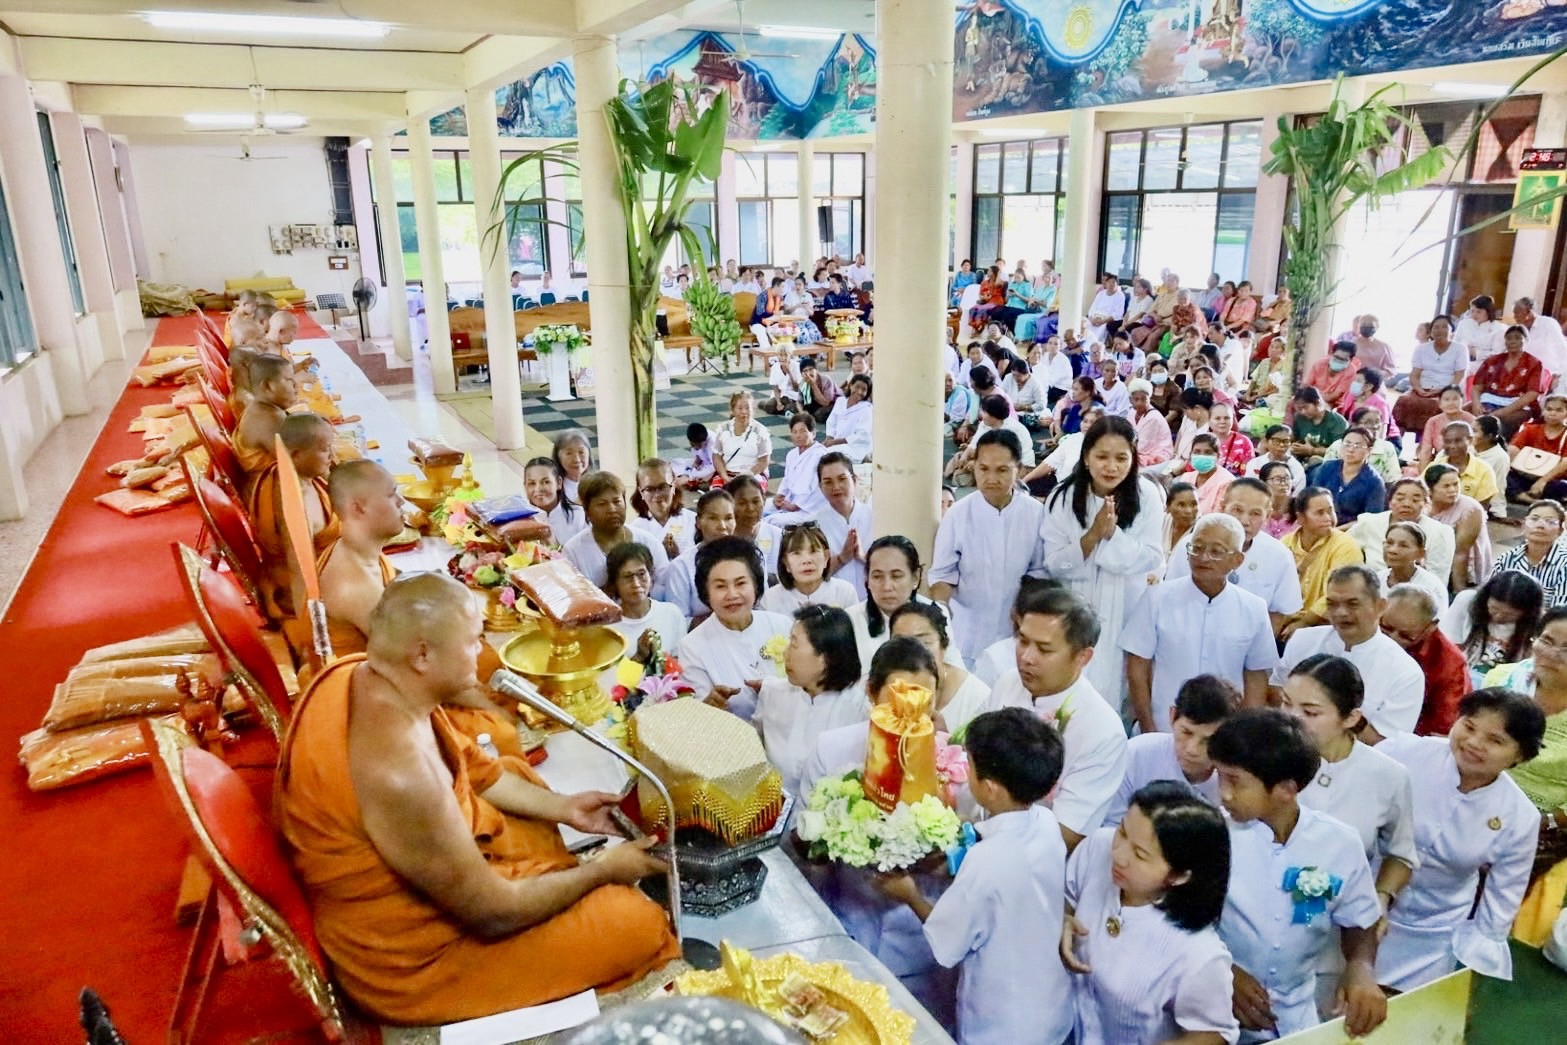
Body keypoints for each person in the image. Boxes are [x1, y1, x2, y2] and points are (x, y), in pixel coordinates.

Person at [276, 573, 679, 1025]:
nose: (482, 652)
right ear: (422, 654)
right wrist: (605, 870)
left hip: (436, 872)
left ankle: (549, 878)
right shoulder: (398, 772)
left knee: (519, 777)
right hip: (418, 960)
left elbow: (476, 769)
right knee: (636, 921)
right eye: (472, 641)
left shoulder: (364, 675)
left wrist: (566, 808)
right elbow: (492, 913)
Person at [872, 708, 1071, 1045]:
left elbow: (948, 942)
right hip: (1050, 1005)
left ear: (990, 788)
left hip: (1004, 1023)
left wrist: (910, 895)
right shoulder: (1046, 822)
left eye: (971, 767)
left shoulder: (988, 861)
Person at [1207, 710, 1387, 1041]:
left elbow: (1360, 920)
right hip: (1212, 1013)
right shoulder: (1209, 835)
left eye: (1235, 781)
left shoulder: (1339, 844)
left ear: (1286, 790)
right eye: (1220, 776)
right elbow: (1174, 920)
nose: (1224, 793)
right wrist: (1220, 971)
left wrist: (1361, 968)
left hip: (1295, 1020)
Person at [1375, 691, 1545, 991]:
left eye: (1495, 740)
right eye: (1468, 726)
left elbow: (1504, 893)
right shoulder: (1403, 752)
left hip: (1433, 929)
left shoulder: (1519, 816)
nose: (1474, 743)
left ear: (1521, 755)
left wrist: (1480, 954)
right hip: (1363, 900)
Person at [1280, 654, 1416, 1013]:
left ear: (1351, 718)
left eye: (1310, 712)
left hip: (1338, 934)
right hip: (1261, 924)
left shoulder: (1386, 775)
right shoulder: (1266, 762)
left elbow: (1401, 853)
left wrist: (1381, 898)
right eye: (1285, 704)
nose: (1291, 719)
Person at [1062, 780, 1238, 1044]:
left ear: (1179, 876)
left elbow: (1215, 1032)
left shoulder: (1198, 953)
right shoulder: (1097, 848)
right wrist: (1061, 920)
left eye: (1140, 855)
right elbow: (1066, 898)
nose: (1119, 855)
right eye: (1122, 833)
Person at [982, 585, 1129, 851]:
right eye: (1023, 641)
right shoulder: (1008, 683)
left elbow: (1067, 832)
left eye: (1044, 649)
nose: (1026, 657)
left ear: (1083, 657)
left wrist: (986, 843)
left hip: (1035, 862)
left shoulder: (1102, 731)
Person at [1043, 417, 1165, 703]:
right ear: (1086, 457)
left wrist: (1113, 537)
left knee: (1117, 692)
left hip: (1125, 608)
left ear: (1133, 458)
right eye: (1102, 457)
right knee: (1067, 697)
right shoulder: (1062, 497)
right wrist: (1093, 536)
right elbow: (1054, 563)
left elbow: (1152, 556)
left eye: (1121, 458)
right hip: (1073, 608)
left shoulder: (1147, 495)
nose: (1112, 467)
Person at [1124, 514, 1276, 734]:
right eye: (1196, 548)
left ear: (1237, 560)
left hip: (1224, 731)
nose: (1203, 557)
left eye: (1216, 551)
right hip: (1164, 725)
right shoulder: (1156, 599)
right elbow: (1137, 667)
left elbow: (1255, 676)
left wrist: (1244, 732)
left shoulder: (1254, 608)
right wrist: (1148, 726)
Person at [930, 429, 1047, 663]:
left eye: (1002, 470)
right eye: (983, 469)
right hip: (966, 632)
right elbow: (943, 574)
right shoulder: (958, 514)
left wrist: (1025, 610)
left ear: (1019, 469)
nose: (991, 478)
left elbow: (1040, 571)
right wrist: (940, 618)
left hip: (1015, 632)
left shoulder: (1035, 514)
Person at [1274, 565, 1424, 742]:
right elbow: (1275, 692)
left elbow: (1387, 744)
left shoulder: (1405, 672)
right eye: (1332, 604)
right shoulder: (1303, 641)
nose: (1340, 613)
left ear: (1380, 606)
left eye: (1352, 604)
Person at [752, 606, 866, 797]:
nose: (785, 654)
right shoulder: (772, 693)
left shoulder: (860, 709)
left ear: (826, 658)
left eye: (794, 645)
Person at [1167, 477, 1304, 636]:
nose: (1244, 521)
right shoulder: (1191, 546)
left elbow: (1279, 613)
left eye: (1255, 513)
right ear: (1223, 507)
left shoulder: (1280, 556)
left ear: (1267, 516)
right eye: (1237, 510)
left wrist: (1255, 648)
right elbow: (1172, 598)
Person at [675, 537, 791, 721]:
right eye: (720, 586)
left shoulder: (783, 625)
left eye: (740, 583)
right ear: (706, 592)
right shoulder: (691, 647)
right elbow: (696, 716)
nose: (732, 594)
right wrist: (708, 706)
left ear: (755, 585)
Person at [1105, 675, 1235, 828]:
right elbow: (1111, 826)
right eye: (1186, 732)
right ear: (1172, 716)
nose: (1192, 749)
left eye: (1207, 740)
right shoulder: (1137, 754)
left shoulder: (1233, 780)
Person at [245, 413, 338, 622]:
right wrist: (314, 629)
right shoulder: (294, 503)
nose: (333, 455)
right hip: (303, 597)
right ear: (295, 455)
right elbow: (300, 572)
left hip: (324, 574)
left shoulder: (286, 473)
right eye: (325, 450)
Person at [889, 601, 992, 736]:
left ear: (943, 646)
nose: (912, 652)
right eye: (901, 644)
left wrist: (945, 739)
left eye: (924, 643)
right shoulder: (884, 687)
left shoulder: (978, 697)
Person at [1380, 584, 1471, 736]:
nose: (1393, 640)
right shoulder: (1365, 630)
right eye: (1386, 628)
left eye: (1406, 636)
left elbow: (1441, 730)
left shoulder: (1449, 663)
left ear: (1431, 627)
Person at [1278, 487, 1364, 639]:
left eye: (1330, 511)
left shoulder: (1345, 546)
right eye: (1319, 513)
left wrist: (1304, 623)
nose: (1328, 518)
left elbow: (1338, 593)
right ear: (1301, 518)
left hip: (1326, 627)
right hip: (1282, 622)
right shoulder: (1285, 544)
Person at [561, 472, 669, 589]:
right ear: (587, 511)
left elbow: (664, 584)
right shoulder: (573, 551)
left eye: (617, 501)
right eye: (602, 504)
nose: (612, 509)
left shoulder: (648, 542)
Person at [1344, 478, 1455, 584]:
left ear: (1426, 503)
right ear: (1390, 501)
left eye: (1415, 500)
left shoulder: (1440, 532)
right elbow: (1344, 547)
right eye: (1400, 499)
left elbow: (1438, 578)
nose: (1406, 504)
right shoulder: (1370, 523)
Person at [1441, 570, 1544, 683]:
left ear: (1526, 613)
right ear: (1485, 599)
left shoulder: (1536, 625)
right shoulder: (1467, 601)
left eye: (1509, 615)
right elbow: (1447, 645)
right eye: (1494, 609)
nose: (1499, 616)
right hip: (1460, 676)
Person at [604, 542, 687, 672]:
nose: (636, 584)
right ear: (615, 583)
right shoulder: (608, 630)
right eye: (627, 577)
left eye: (642, 574)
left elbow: (682, 667)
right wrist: (640, 657)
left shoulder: (672, 613)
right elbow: (613, 686)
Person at [660, 489, 737, 620]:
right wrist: (721, 619)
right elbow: (678, 621)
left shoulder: (751, 558)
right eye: (713, 518)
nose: (722, 526)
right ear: (698, 522)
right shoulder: (681, 567)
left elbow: (760, 608)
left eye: (728, 518)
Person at [759, 521, 857, 615]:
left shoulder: (845, 593)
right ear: (786, 563)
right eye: (797, 553)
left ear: (826, 557)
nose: (806, 560)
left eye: (813, 551)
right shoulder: (769, 600)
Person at [811, 452, 872, 599]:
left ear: (854, 480)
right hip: (833, 604)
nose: (836, 487)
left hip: (872, 601)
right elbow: (810, 575)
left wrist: (864, 557)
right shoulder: (814, 525)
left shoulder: (875, 517)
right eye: (828, 482)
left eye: (842, 479)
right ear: (820, 486)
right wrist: (841, 558)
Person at [231, 353, 297, 485]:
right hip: (269, 489)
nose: (295, 384)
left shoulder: (261, 408)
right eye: (289, 380)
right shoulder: (268, 418)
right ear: (267, 386)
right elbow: (297, 463)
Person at [1396, 315, 1467, 438]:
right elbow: (1415, 373)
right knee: (1404, 401)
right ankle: (1402, 441)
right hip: (1422, 388)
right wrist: (1418, 388)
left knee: (1436, 405)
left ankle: (1430, 440)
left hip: (1447, 389)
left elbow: (1460, 375)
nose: (1440, 330)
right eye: (1436, 327)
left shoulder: (1460, 349)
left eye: (1445, 327)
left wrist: (1444, 390)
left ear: (1452, 330)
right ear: (1431, 331)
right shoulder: (1421, 348)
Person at [1426, 462, 1492, 591]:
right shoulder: (1424, 505)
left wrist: (1458, 593)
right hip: (1435, 564)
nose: (1453, 490)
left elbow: (1461, 553)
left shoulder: (1470, 509)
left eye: (1456, 484)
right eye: (1446, 486)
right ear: (1430, 489)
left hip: (1464, 570)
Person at [1471, 324, 1544, 435]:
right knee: (1463, 413)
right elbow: (1477, 387)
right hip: (1488, 402)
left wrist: (1502, 412)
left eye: (1517, 338)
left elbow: (1532, 394)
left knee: (1502, 422)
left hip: (1517, 406)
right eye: (1508, 338)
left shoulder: (1534, 363)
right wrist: (1476, 404)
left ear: (1526, 340)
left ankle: (1498, 449)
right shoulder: (1492, 360)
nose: (1512, 341)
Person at [1493, 499, 1567, 606]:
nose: (1540, 526)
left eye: (1550, 522)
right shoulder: (1507, 558)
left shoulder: (1564, 565)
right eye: (1534, 519)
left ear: (1560, 531)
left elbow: (1559, 614)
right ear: (1524, 525)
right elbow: (1489, 597)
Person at [1508, 392, 1567, 503]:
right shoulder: (1531, 429)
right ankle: (1525, 498)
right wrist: (1508, 465)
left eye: (1559, 410)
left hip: (1552, 480)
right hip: (1525, 475)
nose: (1553, 413)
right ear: (1543, 411)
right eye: (1549, 409)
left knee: (1562, 487)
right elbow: (1513, 448)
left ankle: (1520, 495)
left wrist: (1542, 481)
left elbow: (1565, 462)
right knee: (1504, 477)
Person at [1378, 521, 1449, 612]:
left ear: (1420, 553)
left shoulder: (1432, 587)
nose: (1393, 550)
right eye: (1389, 543)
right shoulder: (1376, 581)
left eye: (1403, 545)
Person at [727, 474, 783, 582]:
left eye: (756, 501)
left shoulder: (778, 536)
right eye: (742, 503)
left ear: (764, 500)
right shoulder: (724, 540)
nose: (750, 508)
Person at [710, 391, 772, 488]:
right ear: (732, 410)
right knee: (716, 498)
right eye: (740, 408)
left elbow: (764, 461)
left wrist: (747, 474)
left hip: (752, 475)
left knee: (745, 495)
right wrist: (724, 476)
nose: (744, 411)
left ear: (753, 409)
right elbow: (717, 457)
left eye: (748, 408)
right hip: (728, 474)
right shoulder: (723, 429)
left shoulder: (760, 431)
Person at [1432, 420, 1500, 508]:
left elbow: (1481, 509)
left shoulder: (1484, 471)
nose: (1452, 446)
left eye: (1458, 441)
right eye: (1447, 441)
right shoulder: (1435, 466)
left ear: (1470, 440)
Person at [524, 457, 586, 546]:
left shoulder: (578, 515)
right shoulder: (521, 521)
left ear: (558, 483)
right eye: (532, 483)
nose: (538, 489)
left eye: (546, 482)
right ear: (525, 486)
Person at [1416, 386, 1476, 470]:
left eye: (1455, 399)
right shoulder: (1433, 421)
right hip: (1441, 464)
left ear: (1463, 401)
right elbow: (1426, 450)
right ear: (1440, 404)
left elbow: (1478, 450)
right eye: (1446, 399)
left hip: (1468, 465)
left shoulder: (1472, 421)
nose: (1451, 403)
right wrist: (1423, 477)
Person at [1289, 387, 1347, 471]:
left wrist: (1312, 451)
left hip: (1329, 463)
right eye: (1299, 409)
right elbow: (1296, 439)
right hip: (1303, 461)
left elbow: (1339, 452)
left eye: (1305, 407)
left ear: (1318, 403)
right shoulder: (1299, 418)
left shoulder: (1337, 422)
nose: (1303, 412)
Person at [823, 374, 873, 464]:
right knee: (815, 451)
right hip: (836, 442)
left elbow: (862, 435)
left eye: (864, 389)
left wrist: (836, 442)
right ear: (850, 385)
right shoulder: (840, 401)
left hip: (855, 447)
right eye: (857, 387)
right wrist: (829, 437)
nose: (859, 392)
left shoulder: (867, 409)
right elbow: (831, 421)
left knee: (825, 455)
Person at [1301, 341, 1362, 412]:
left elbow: (1336, 396)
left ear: (1350, 360)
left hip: (1333, 404)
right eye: (1336, 357)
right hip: (1310, 398)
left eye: (1343, 359)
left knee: (1320, 410)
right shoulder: (1320, 363)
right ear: (1331, 354)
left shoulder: (1351, 371)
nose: (1338, 361)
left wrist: (1316, 401)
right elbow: (1305, 385)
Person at [1514, 295, 1567, 377]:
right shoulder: (1519, 329)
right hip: (1527, 374)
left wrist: (1560, 374)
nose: (1514, 316)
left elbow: (1561, 349)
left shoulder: (1548, 323)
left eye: (1517, 312)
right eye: (1514, 313)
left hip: (1550, 373)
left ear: (1529, 311)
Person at [1243, 425, 1306, 494]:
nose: (1281, 445)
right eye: (1276, 441)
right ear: (1266, 442)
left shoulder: (1296, 467)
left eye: (1286, 441)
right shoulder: (1255, 463)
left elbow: (1297, 494)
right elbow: (1248, 487)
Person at [1127, 378, 1173, 468]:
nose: (1139, 403)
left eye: (1143, 399)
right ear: (1130, 400)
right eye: (1136, 399)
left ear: (1149, 398)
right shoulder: (1131, 412)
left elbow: (1142, 448)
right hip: (1138, 453)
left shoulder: (1153, 417)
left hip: (1157, 456)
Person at [1085, 272, 1128, 346]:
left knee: (1101, 328)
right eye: (1109, 282)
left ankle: (1095, 345)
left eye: (1114, 282)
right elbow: (1092, 308)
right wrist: (1092, 319)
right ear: (1106, 283)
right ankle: (1084, 343)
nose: (1111, 284)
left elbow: (1118, 313)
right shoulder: (1101, 293)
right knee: (1085, 323)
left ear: (1117, 284)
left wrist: (1103, 321)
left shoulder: (1120, 296)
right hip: (1095, 318)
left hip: (1108, 319)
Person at [552, 429, 592, 503]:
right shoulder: (554, 488)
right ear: (558, 456)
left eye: (581, 452)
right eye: (569, 453)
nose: (577, 459)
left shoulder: (596, 484)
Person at [1162, 482, 1199, 560]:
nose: (1188, 511)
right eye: (1181, 505)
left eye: (1193, 504)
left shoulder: (1202, 531)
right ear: (1168, 506)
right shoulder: (1161, 522)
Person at [1260, 462, 1297, 539]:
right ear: (1263, 483)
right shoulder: (1258, 508)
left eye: (1287, 478)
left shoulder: (1300, 509)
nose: (1283, 483)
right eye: (1277, 479)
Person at [673, 423, 715, 488]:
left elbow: (713, 466)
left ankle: (686, 478)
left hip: (714, 467)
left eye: (698, 445)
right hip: (703, 464)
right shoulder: (698, 437)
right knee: (676, 462)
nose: (695, 447)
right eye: (692, 445)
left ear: (704, 441)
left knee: (697, 474)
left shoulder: (713, 443)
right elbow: (698, 454)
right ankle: (685, 476)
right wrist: (696, 461)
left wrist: (692, 476)